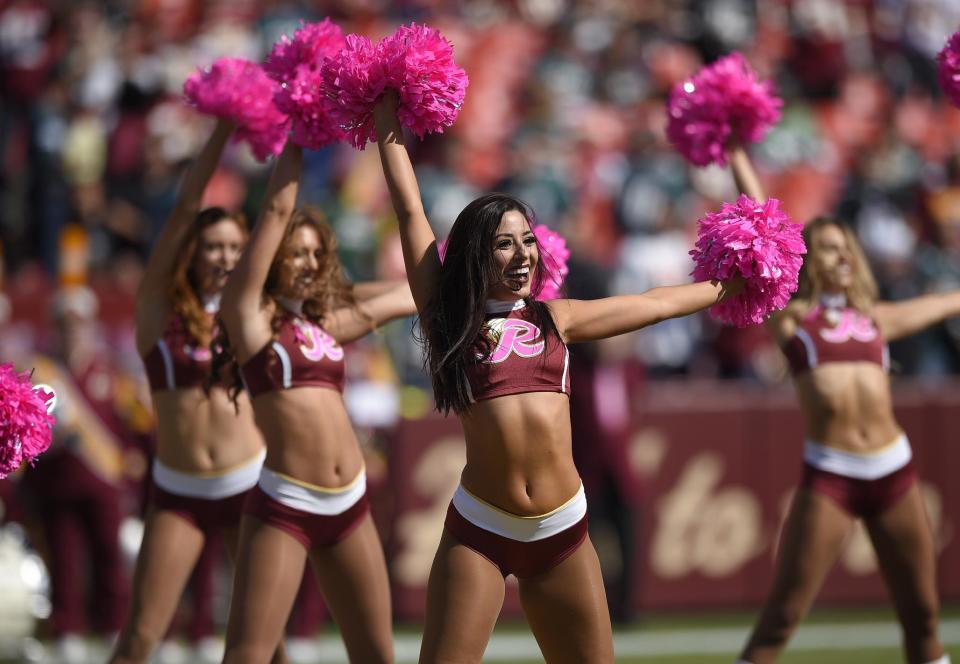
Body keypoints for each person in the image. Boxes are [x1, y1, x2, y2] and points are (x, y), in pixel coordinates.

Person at [373, 91, 743, 663]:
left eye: (527, 241)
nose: (523, 255)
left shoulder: (557, 317)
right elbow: (409, 212)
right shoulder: (448, 319)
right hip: (481, 531)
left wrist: (730, 285)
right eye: (503, 244)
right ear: (474, 255)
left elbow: (656, 303)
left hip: (563, 533)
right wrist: (386, 120)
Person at [729, 148, 954, 664]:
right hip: (831, 477)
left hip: (895, 470)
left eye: (847, 248)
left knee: (921, 617)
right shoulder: (793, 319)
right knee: (781, 619)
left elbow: (948, 300)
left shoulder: (878, 319)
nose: (843, 258)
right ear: (809, 260)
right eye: (830, 249)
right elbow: (763, 230)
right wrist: (737, 151)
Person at [217, 141, 415, 664]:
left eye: (315, 254)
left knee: (377, 654)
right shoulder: (250, 320)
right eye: (295, 252)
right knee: (249, 654)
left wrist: (471, 276)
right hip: (287, 505)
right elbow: (279, 208)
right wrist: (301, 134)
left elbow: (401, 297)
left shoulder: (322, 324)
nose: (307, 263)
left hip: (350, 502)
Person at [110, 119, 280, 664]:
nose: (226, 256)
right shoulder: (158, 313)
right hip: (178, 491)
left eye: (235, 246)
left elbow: (277, 218)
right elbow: (184, 209)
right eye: (212, 246)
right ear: (192, 253)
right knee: (140, 638)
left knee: (264, 643)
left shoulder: (254, 313)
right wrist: (221, 131)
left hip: (246, 488)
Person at [24, 285, 147, 664]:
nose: (72, 332)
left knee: (109, 558)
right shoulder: (43, 376)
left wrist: (130, 460)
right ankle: (67, 631)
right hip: (58, 483)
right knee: (63, 558)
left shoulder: (111, 373)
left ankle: (113, 628)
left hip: (102, 484)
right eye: (64, 325)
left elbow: (134, 425)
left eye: (78, 324)